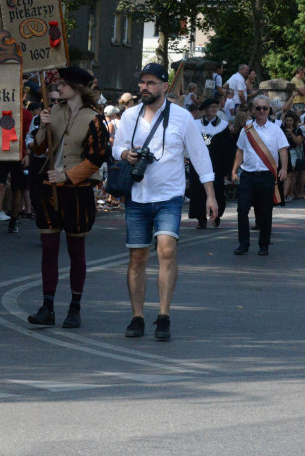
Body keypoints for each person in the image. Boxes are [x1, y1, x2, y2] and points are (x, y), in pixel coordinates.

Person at [113, 63, 218, 341]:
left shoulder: (183, 118)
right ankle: (137, 317)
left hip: (169, 196)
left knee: (167, 251)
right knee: (137, 257)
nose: (144, 87)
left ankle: (163, 316)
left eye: (150, 82)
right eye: (142, 82)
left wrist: (210, 194)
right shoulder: (129, 115)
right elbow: (117, 145)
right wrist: (125, 154)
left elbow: (199, 156)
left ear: (164, 86)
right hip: (138, 195)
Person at [27, 67, 111, 330]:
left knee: (76, 251)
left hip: (77, 190)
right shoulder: (53, 111)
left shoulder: (94, 119)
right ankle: (47, 306)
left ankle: (75, 307)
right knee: (49, 250)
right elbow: (39, 149)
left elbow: (97, 157)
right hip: (49, 186)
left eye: (63, 84)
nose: (58, 88)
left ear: (77, 87)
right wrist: (42, 125)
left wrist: (67, 176)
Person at [231, 94, 289, 256]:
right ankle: (243, 244)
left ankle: (264, 245)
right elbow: (240, 151)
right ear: (253, 110)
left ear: (269, 110)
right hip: (248, 175)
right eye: (258, 108)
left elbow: (283, 150)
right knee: (242, 210)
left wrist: (283, 169)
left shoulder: (276, 129)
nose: (262, 111)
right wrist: (234, 170)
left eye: (265, 108)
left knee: (265, 212)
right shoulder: (246, 130)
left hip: (267, 176)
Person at [190, 98, 233, 228]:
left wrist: (227, 170)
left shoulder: (223, 126)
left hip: (217, 165)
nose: (214, 109)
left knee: (217, 190)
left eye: (216, 106)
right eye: (211, 107)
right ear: (205, 109)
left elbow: (228, 149)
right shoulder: (196, 124)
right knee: (198, 191)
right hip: (198, 162)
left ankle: (216, 215)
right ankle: (201, 218)